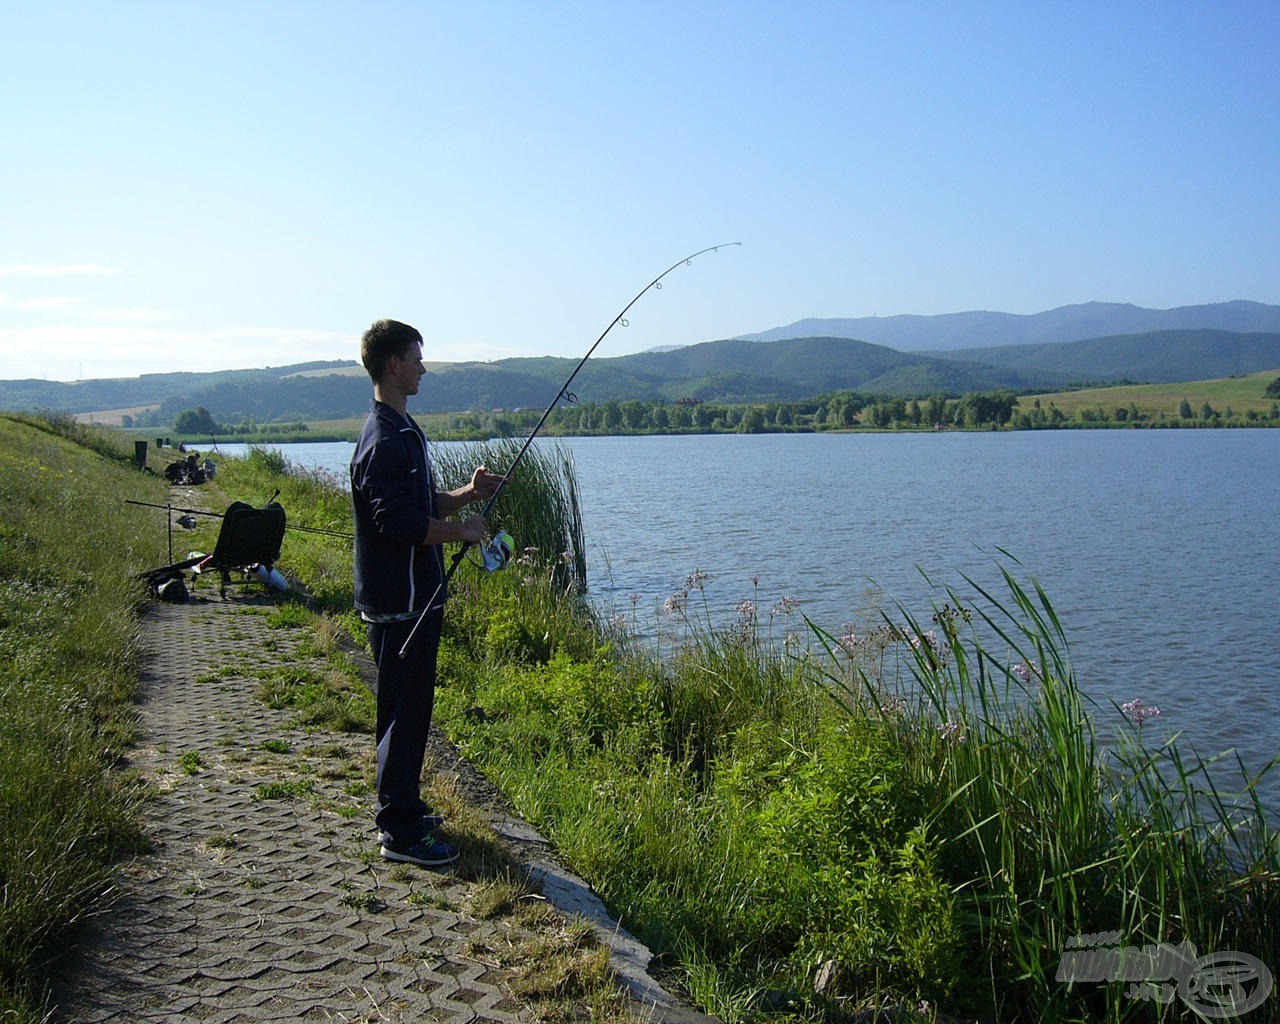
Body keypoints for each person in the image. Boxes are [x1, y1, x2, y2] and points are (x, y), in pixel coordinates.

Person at [349, 319, 501, 868]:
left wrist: (466, 494)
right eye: (417, 357)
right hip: (401, 603)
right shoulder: (386, 439)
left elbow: (419, 505)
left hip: (414, 597)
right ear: (394, 364)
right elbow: (398, 524)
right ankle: (400, 832)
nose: (423, 367)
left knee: (412, 710)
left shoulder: (399, 429)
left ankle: (406, 805)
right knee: (402, 714)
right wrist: (464, 533)